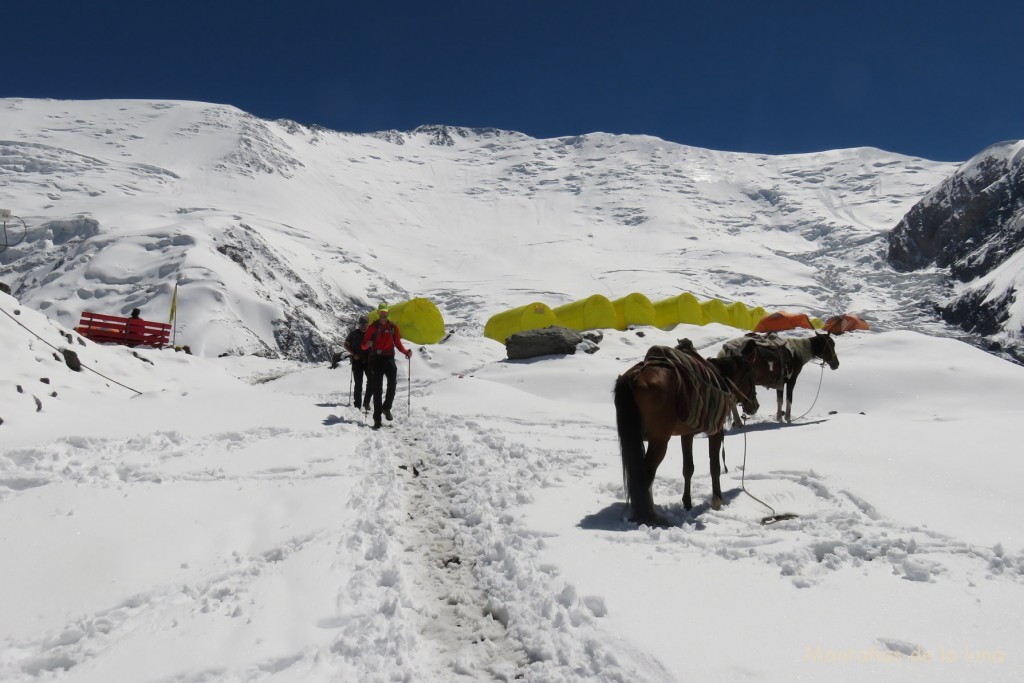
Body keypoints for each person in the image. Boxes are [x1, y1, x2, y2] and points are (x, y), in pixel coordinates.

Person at [361, 302, 412, 430]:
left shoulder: (393, 327)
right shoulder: (372, 327)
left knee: (392, 385)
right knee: (377, 390)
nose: (383, 314)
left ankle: (386, 407)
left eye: (385, 312)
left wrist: (406, 352)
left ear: (388, 313)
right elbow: (363, 345)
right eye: (381, 312)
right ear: (378, 313)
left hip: (389, 358)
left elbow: (398, 344)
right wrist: (368, 344)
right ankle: (377, 419)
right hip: (376, 359)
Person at [343, 315, 371, 410]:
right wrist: (353, 353)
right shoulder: (353, 334)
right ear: (358, 325)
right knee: (358, 383)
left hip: (369, 361)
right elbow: (345, 345)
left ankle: (366, 402)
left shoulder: (371, 334)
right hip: (357, 361)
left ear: (368, 324)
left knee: (371, 382)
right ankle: (357, 405)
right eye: (361, 324)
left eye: (365, 324)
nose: (363, 326)